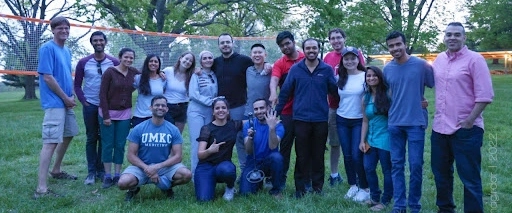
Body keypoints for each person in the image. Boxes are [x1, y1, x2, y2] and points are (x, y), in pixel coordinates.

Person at [431, 22, 494, 213]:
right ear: (444, 37)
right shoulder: (439, 59)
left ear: (464, 38)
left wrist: (469, 121)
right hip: (439, 128)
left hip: (466, 130)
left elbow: (485, 95)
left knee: (470, 178)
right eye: (448, 34)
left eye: (457, 35)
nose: (452, 38)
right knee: (441, 175)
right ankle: (445, 209)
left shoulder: (475, 59)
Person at [275, 38, 338, 198]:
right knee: (302, 155)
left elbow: (334, 91)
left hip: (320, 119)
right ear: (303, 50)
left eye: (314, 48)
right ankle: (300, 188)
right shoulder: (296, 70)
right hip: (301, 119)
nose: (311, 51)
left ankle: (317, 187)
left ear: (318, 50)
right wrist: (277, 112)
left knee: (318, 155)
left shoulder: (326, 69)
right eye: (308, 48)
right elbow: (285, 92)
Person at [383, 31, 434, 213]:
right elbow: (385, 93)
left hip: (415, 123)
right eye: (391, 46)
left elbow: (436, 84)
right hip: (394, 122)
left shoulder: (421, 65)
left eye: (398, 44)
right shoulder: (387, 69)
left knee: (415, 165)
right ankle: (399, 205)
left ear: (405, 44)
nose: (395, 48)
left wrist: (423, 101)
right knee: (396, 165)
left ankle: (414, 205)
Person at [34, 16, 80, 199]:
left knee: (69, 134)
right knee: (50, 142)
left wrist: (72, 95)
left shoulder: (66, 50)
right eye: (60, 28)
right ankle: (41, 188)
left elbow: (67, 75)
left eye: (66, 28)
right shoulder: (47, 48)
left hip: (66, 100)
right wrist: (64, 98)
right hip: (55, 103)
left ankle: (56, 169)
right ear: (53, 30)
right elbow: (48, 77)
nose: (64, 31)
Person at [212, 33, 271, 172]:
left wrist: (268, 64)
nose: (225, 45)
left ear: (232, 43)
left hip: (239, 107)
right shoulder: (215, 62)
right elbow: (205, 69)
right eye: (222, 43)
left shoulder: (244, 60)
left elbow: (260, 63)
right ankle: (220, 170)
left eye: (228, 42)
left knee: (241, 137)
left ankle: (246, 169)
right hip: (220, 108)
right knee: (220, 138)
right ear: (219, 45)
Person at [118, 95, 192, 201]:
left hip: (163, 167)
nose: (160, 107)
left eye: (163, 105)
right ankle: (133, 189)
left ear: (167, 109)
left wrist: (156, 167)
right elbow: (130, 155)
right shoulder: (139, 128)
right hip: (141, 167)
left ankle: (166, 186)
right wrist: (147, 168)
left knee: (186, 175)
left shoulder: (173, 129)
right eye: (157, 105)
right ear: (151, 108)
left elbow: (178, 156)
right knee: (123, 183)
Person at [74, 31, 119, 185]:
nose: (98, 43)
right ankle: (91, 172)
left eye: (101, 40)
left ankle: (102, 170)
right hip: (91, 105)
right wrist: (84, 101)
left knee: (104, 138)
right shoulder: (83, 62)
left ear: (105, 42)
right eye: (95, 40)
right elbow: (77, 85)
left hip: (107, 107)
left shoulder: (114, 62)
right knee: (92, 137)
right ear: (91, 43)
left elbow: (125, 78)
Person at [323, 28, 366, 187]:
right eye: (332, 38)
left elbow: (365, 78)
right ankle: (335, 174)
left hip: (357, 111)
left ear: (344, 38)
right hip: (336, 108)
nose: (336, 41)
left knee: (356, 149)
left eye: (338, 37)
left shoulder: (356, 54)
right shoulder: (327, 57)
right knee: (335, 143)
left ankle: (359, 179)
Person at [269, 31, 305, 188]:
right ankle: (280, 180)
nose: (285, 47)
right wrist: (272, 93)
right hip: (286, 112)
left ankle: (305, 181)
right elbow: (274, 79)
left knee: (304, 149)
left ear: (294, 42)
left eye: (287, 43)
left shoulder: (306, 58)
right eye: (282, 46)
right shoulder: (280, 63)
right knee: (285, 148)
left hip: (305, 112)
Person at [98, 48, 138, 189]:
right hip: (107, 113)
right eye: (126, 57)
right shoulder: (110, 72)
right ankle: (107, 176)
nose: (128, 60)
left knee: (120, 145)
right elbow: (102, 94)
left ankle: (117, 174)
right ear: (120, 57)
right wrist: (106, 116)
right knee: (108, 144)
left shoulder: (133, 72)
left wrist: (161, 73)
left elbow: (148, 74)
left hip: (124, 114)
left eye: (131, 58)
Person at [335, 46, 370, 202]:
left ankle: (365, 187)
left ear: (358, 59)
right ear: (342, 61)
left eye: (353, 58)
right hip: (342, 119)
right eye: (346, 59)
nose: (350, 61)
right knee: (347, 155)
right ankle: (353, 185)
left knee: (357, 155)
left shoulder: (365, 76)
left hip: (359, 120)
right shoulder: (339, 78)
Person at [194, 97, 242, 201]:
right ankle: (208, 181)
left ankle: (230, 187)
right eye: (217, 108)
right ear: (213, 112)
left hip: (223, 165)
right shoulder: (206, 129)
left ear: (228, 111)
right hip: (206, 166)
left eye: (223, 108)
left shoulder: (234, 125)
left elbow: (251, 122)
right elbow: (200, 154)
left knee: (228, 170)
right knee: (204, 200)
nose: (221, 110)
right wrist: (209, 150)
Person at [359, 66, 393, 212]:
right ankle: (374, 197)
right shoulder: (365, 97)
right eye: (368, 76)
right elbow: (365, 121)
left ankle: (385, 200)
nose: (371, 78)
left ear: (380, 77)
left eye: (374, 75)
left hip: (386, 138)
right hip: (370, 139)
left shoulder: (388, 94)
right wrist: (362, 140)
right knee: (368, 168)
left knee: (387, 170)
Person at [240, 99, 285, 197]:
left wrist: (271, 128)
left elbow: (272, 145)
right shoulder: (249, 125)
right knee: (245, 194)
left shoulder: (278, 125)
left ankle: (276, 190)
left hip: (270, 160)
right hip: (254, 161)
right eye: (256, 109)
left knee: (277, 158)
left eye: (261, 108)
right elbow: (248, 151)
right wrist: (250, 138)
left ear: (268, 108)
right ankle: (258, 182)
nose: (259, 111)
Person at [187, 50, 218, 177]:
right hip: (196, 111)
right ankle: (195, 174)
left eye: (210, 57)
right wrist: (211, 102)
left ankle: (206, 172)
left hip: (210, 112)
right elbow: (193, 94)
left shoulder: (214, 75)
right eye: (204, 58)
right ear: (200, 62)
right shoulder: (196, 75)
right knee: (197, 142)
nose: (208, 60)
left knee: (208, 142)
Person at [163, 51, 196, 133]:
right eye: (186, 58)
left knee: (177, 135)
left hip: (182, 107)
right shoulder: (168, 71)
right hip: (168, 107)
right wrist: (160, 73)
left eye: (190, 61)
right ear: (181, 58)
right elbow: (156, 75)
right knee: (166, 133)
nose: (188, 62)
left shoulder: (191, 75)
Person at [131, 54, 166, 127]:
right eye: (151, 61)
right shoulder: (138, 78)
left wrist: (160, 72)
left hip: (156, 116)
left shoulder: (163, 79)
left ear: (159, 64)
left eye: (156, 62)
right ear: (147, 63)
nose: (153, 63)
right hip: (140, 116)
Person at [244, 44, 271, 118]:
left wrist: (267, 64)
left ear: (265, 55)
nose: (257, 55)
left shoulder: (271, 70)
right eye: (255, 53)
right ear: (251, 55)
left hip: (266, 112)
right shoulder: (248, 70)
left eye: (260, 52)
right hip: (250, 111)